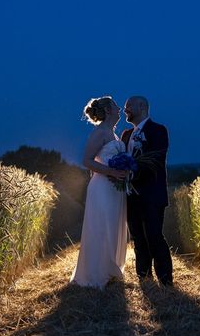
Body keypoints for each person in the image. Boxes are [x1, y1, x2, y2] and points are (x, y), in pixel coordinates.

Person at [70, 96, 129, 289]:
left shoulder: (113, 134)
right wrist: (112, 171)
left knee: (113, 224)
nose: (120, 108)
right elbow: (87, 161)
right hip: (102, 186)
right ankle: (97, 273)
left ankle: (111, 269)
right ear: (108, 110)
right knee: (102, 225)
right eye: (116, 105)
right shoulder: (100, 133)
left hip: (115, 187)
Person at [120, 96, 173, 286]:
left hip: (151, 194)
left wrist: (132, 173)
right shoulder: (125, 134)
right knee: (138, 238)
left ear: (141, 106)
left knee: (154, 236)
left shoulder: (158, 130)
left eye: (128, 106)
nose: (125, 109)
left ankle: (165, 280)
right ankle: (144, 277)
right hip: (130, 196)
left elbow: (155, 161)